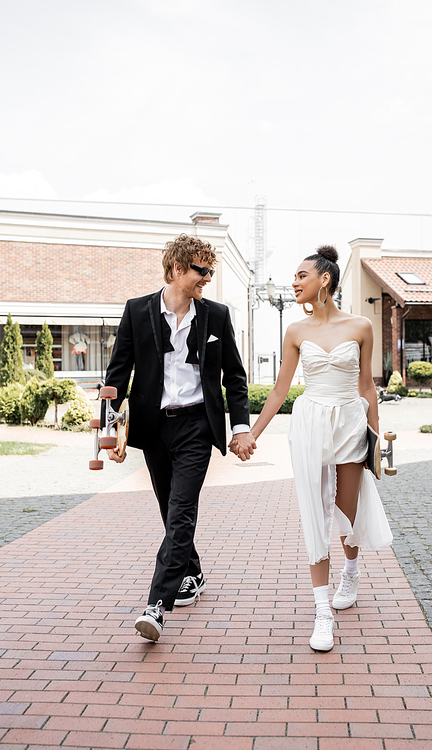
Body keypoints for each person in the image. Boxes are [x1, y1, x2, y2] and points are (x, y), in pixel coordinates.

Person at [230, 245, 392, 652]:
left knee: (346, 509)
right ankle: (322, 614)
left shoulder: (360, 326)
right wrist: (252, 433)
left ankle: (351, 570)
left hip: (351, 424)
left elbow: (368, 386)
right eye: (294, 276)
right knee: (314, 511)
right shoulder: (296, 332)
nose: (294, 282)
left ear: (325, 279)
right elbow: (282, 387)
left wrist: (378, 439)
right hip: (310, 424)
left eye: (302, 275)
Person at [103, 233, 256, 642]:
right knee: (169, 508)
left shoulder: (216, 316)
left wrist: (240, 427)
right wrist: (109, 432)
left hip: (196, 427)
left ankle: (156, 605)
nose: (207, 278)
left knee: (182, 509)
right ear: (176, 269)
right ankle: (193, 571)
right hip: (155, 428)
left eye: (210, 271)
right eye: (200, 271)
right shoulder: (137, 311)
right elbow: (117, 376)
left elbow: (234, 377)